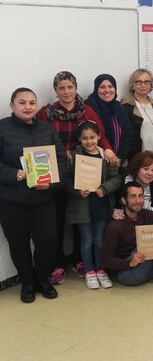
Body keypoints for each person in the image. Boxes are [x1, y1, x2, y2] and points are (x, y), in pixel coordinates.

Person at [37, 70, 116, 284]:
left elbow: (100, 135)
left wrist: (108, 149)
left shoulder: (87, 111)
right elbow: (39, 138)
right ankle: (58, 263)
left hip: (84, 173)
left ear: (76, 88)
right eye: (61, 88)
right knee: (57, 219)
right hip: (57, 172)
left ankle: (81, 260)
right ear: (55, 90)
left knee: (83, 217)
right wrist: (63, 152)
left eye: (70, 87)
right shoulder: (46, 112)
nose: (66, 91)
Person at [0, 87, 66, 303]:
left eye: (32, 103)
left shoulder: (47, 129)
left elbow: (60, 161)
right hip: (11, 199)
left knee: (47, 241)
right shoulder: (2, 127)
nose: (28, 107)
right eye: (22, 102)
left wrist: (51, 184)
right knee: (18, 242)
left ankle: (42, 279)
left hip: (43, 199)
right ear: (12, 105)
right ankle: (27, 282)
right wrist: (15, 174)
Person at [65, 121, 121, 289]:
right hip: (82, 207)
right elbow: (67, 180)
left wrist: (104, 188)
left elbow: (116, 178)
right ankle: (89, 271)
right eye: (84, 138)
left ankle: (100, 269)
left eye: (92, 137)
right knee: (87, 240)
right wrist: (77, 191)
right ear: (79, 139)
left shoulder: (105, 156)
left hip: (101, 206)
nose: (89, 141)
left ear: (99, 137)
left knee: (99, 240)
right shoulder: (75, 156)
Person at [85, 73, 134, 165]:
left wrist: (119, 159)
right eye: (102, 87)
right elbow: (89, 135)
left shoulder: (118, 107)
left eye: (110, 86)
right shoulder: (88, 107)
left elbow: (128, 135)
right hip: (95, 161)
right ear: (96, 89)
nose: (107, 90)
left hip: (117, 161)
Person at [121, 69, 153, 161]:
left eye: (147, 82)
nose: (143, 85)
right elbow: (124, 135)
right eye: (139, 82)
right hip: (138, 155)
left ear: (151, 84)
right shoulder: (126, 105)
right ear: (133, 85)